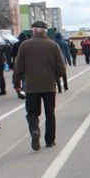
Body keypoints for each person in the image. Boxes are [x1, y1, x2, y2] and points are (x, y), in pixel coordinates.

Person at [13, 20, 67, 150]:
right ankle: (49, 140)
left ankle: (34, 130)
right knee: (50, 113)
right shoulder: (53, 45)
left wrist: (17, 85)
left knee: (32, 112)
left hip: (31, 86)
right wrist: (54, 78)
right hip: (49, 86)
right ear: (45, 31)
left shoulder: (25, 46)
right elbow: (61, 68)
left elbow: (18, 67)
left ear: (34, 31)